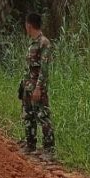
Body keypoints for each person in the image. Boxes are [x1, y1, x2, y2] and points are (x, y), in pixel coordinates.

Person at [19, 12, 55, 155]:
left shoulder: (43, 43)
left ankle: (49, 149)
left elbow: (44, 69)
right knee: (28, 115)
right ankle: (30, 144)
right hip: (27, 86)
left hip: (37, 87)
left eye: (26, 25)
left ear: (29, 25)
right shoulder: (31, 43)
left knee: (42, 116)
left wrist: (38, 88)